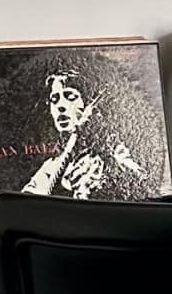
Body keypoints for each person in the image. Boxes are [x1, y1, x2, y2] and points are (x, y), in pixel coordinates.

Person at [21, 69, 153, 201]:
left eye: (70, 96)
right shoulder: (50, 166)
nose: (60, 106)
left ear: (87, 103)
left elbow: (138, 179)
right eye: (54, 100)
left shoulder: (110, 154)